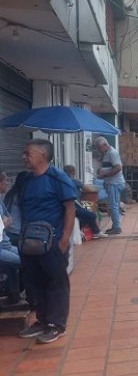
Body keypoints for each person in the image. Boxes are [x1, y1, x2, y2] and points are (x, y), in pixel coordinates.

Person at [15, 139, 77, 343]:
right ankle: (41, 321)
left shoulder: (57, 178)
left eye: (28, 153)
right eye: (23, 153)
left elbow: (70, 209)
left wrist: (64, 240)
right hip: (28, 242)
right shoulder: (24, 180)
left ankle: (56, 325)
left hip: (52, 242)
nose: (24, 157)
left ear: (42, 155)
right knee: (34, 282)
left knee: (55, 282)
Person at [62, 165, 105, 240]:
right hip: (74, 206)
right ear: (73, 172)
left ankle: (79, 230)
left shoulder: (61, 181)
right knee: (92, 214)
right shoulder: (75, 181)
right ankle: (96, 232)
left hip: (65, 206)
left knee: (86, 213)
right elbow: (88, 189)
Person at [93, 136, 125, 235]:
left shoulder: (112, 153)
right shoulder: (107, 153)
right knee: (112, 205)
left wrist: (105, 175)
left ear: (104, 145)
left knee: (113, 205)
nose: (98, 149)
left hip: (114, 183)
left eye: (99, 147)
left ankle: (116, 227)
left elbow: (118, 167)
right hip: (111, 182)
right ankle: (115, 226)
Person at [0, 170, 22, 302]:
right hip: (2, 248)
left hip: (7, 245)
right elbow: (6, 222)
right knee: (25, 262)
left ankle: (14, 296)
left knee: (28, 257)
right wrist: (3, 223)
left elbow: (9, 220)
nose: (7, 183)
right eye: (5, 180)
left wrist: (3, 223)